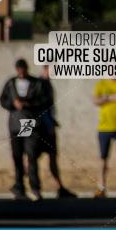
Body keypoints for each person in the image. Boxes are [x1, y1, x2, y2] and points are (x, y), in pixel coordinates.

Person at [0, 59, 46, 200]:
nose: (21, 72)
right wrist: (13, 104)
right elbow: (2, 100)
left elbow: (43, 101)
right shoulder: (11, 83)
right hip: (15, 123)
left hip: (29, 121)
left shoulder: (36, 83)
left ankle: (35, 187)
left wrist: (27, 104)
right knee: (17, 156)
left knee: (31, 155)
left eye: (23, 69)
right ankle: (19, 187)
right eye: (19, 69)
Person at [37, 66, 76, 198]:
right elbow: (41, 108)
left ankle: (59, 187)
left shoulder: (48, 84)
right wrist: (49, 124)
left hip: (48, 125)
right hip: (42, 128)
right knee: (33, 157)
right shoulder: (40, 84)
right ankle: (34, 187)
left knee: (53, 156)